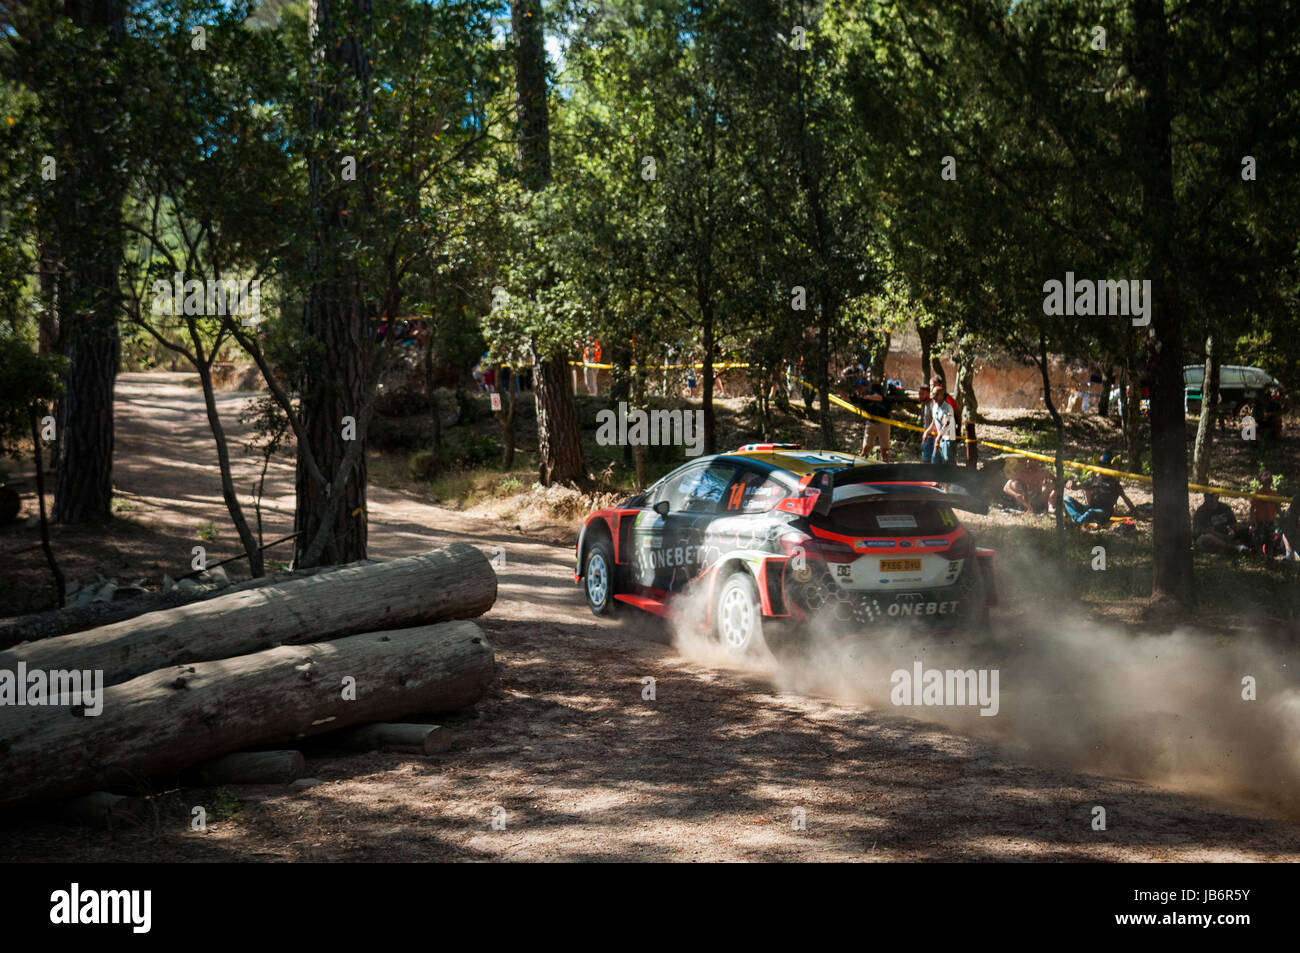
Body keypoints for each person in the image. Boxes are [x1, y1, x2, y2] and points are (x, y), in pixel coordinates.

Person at [924, 377, 960, 466]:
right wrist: (927, 432)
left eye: (936, 395)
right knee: (935, 461)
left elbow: (946, 424)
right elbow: (934, 421)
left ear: (941, 395)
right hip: (939, 438)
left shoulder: (947, 407)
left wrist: (937, 439)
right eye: (933, 394)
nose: (934, 397)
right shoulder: (935, 406)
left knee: (947, 464)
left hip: (948, 439)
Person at [859, 377, 893, 462]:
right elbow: (849, 399)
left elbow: (879, 398)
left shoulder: (881, 398)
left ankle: (886, 465)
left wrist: (865, 396)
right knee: (866, 447)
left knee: (885, 449)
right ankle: (862, 462)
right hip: (871, 423)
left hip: (883, 423)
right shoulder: (864, 398)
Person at [917, 384, 934, 463]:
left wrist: (927, 432)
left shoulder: (932, 405)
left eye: (922, 394)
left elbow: (935, 420)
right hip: (927, 437)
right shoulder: (926, 405)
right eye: (919, 394)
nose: (920, 396)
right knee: (925, 461)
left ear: (928, 394)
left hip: (932, 437)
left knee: (928, 462)